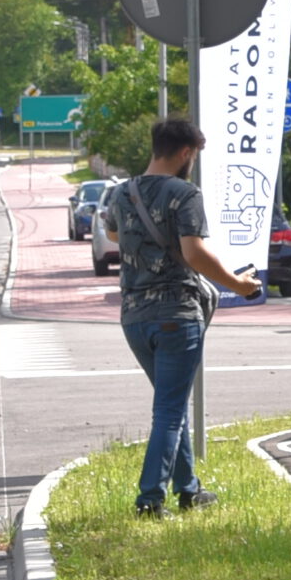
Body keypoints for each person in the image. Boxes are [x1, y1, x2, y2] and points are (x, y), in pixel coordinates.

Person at [109, 115, 264, 516]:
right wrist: (238, 284)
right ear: (185, 153)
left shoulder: (121, 193)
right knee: (169, 410)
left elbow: (112, 234)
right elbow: (194, 253)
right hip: (176, 314)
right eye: (194, 155)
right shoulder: (184, 193)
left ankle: (189, 489)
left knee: (171, 403)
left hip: (133, 316)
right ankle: (149, 499)